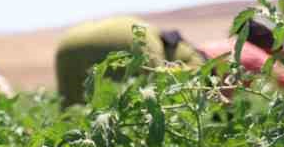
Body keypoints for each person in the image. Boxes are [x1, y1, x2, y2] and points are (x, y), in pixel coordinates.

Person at [53, 15, 203, 105]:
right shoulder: (197, 59)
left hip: (67, 44)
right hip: (127, 38)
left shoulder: (170, 41)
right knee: (146, 107)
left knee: (73, 115)